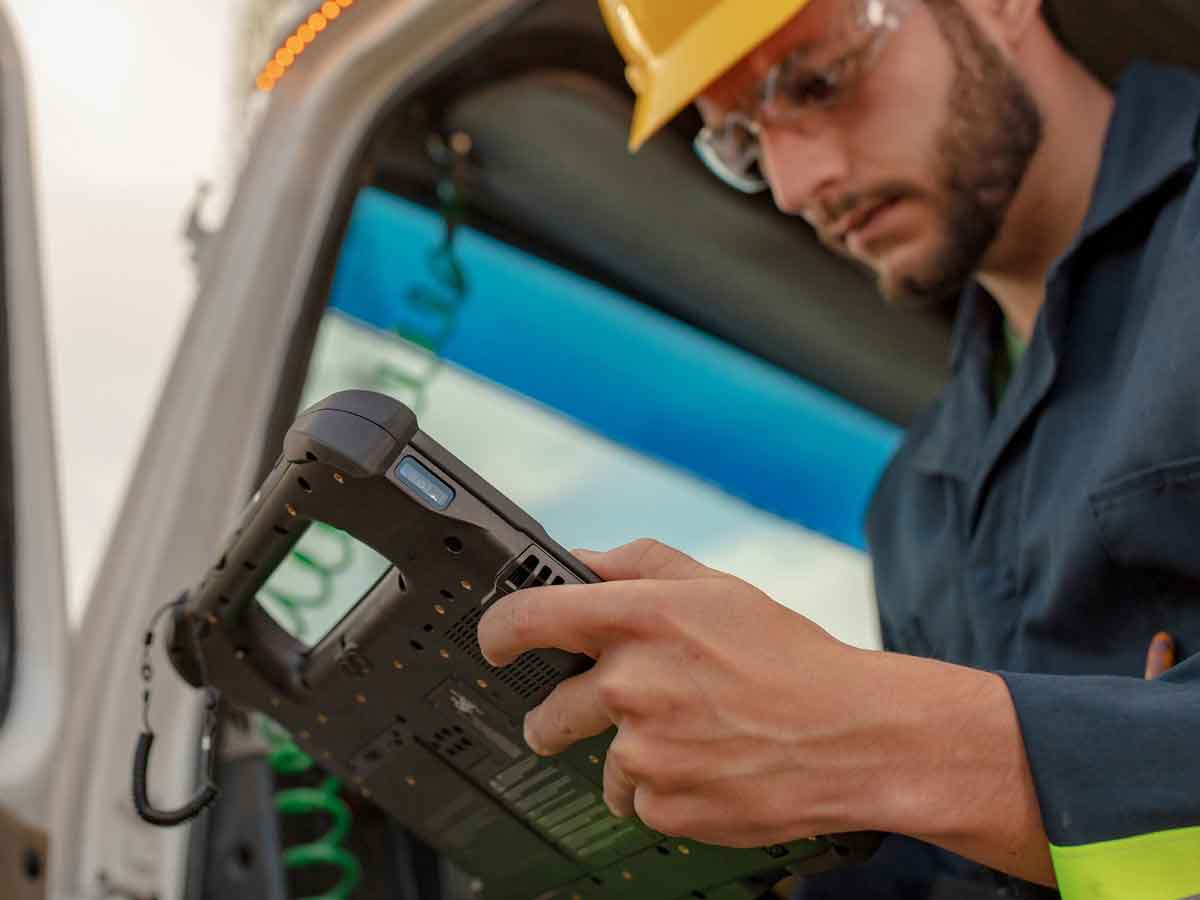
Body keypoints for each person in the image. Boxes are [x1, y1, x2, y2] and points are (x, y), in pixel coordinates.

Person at [476, 0, 1200, 896]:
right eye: (743, 142)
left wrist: (877, 731)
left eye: (819, 80)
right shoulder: (920, 502)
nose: (792, 182)